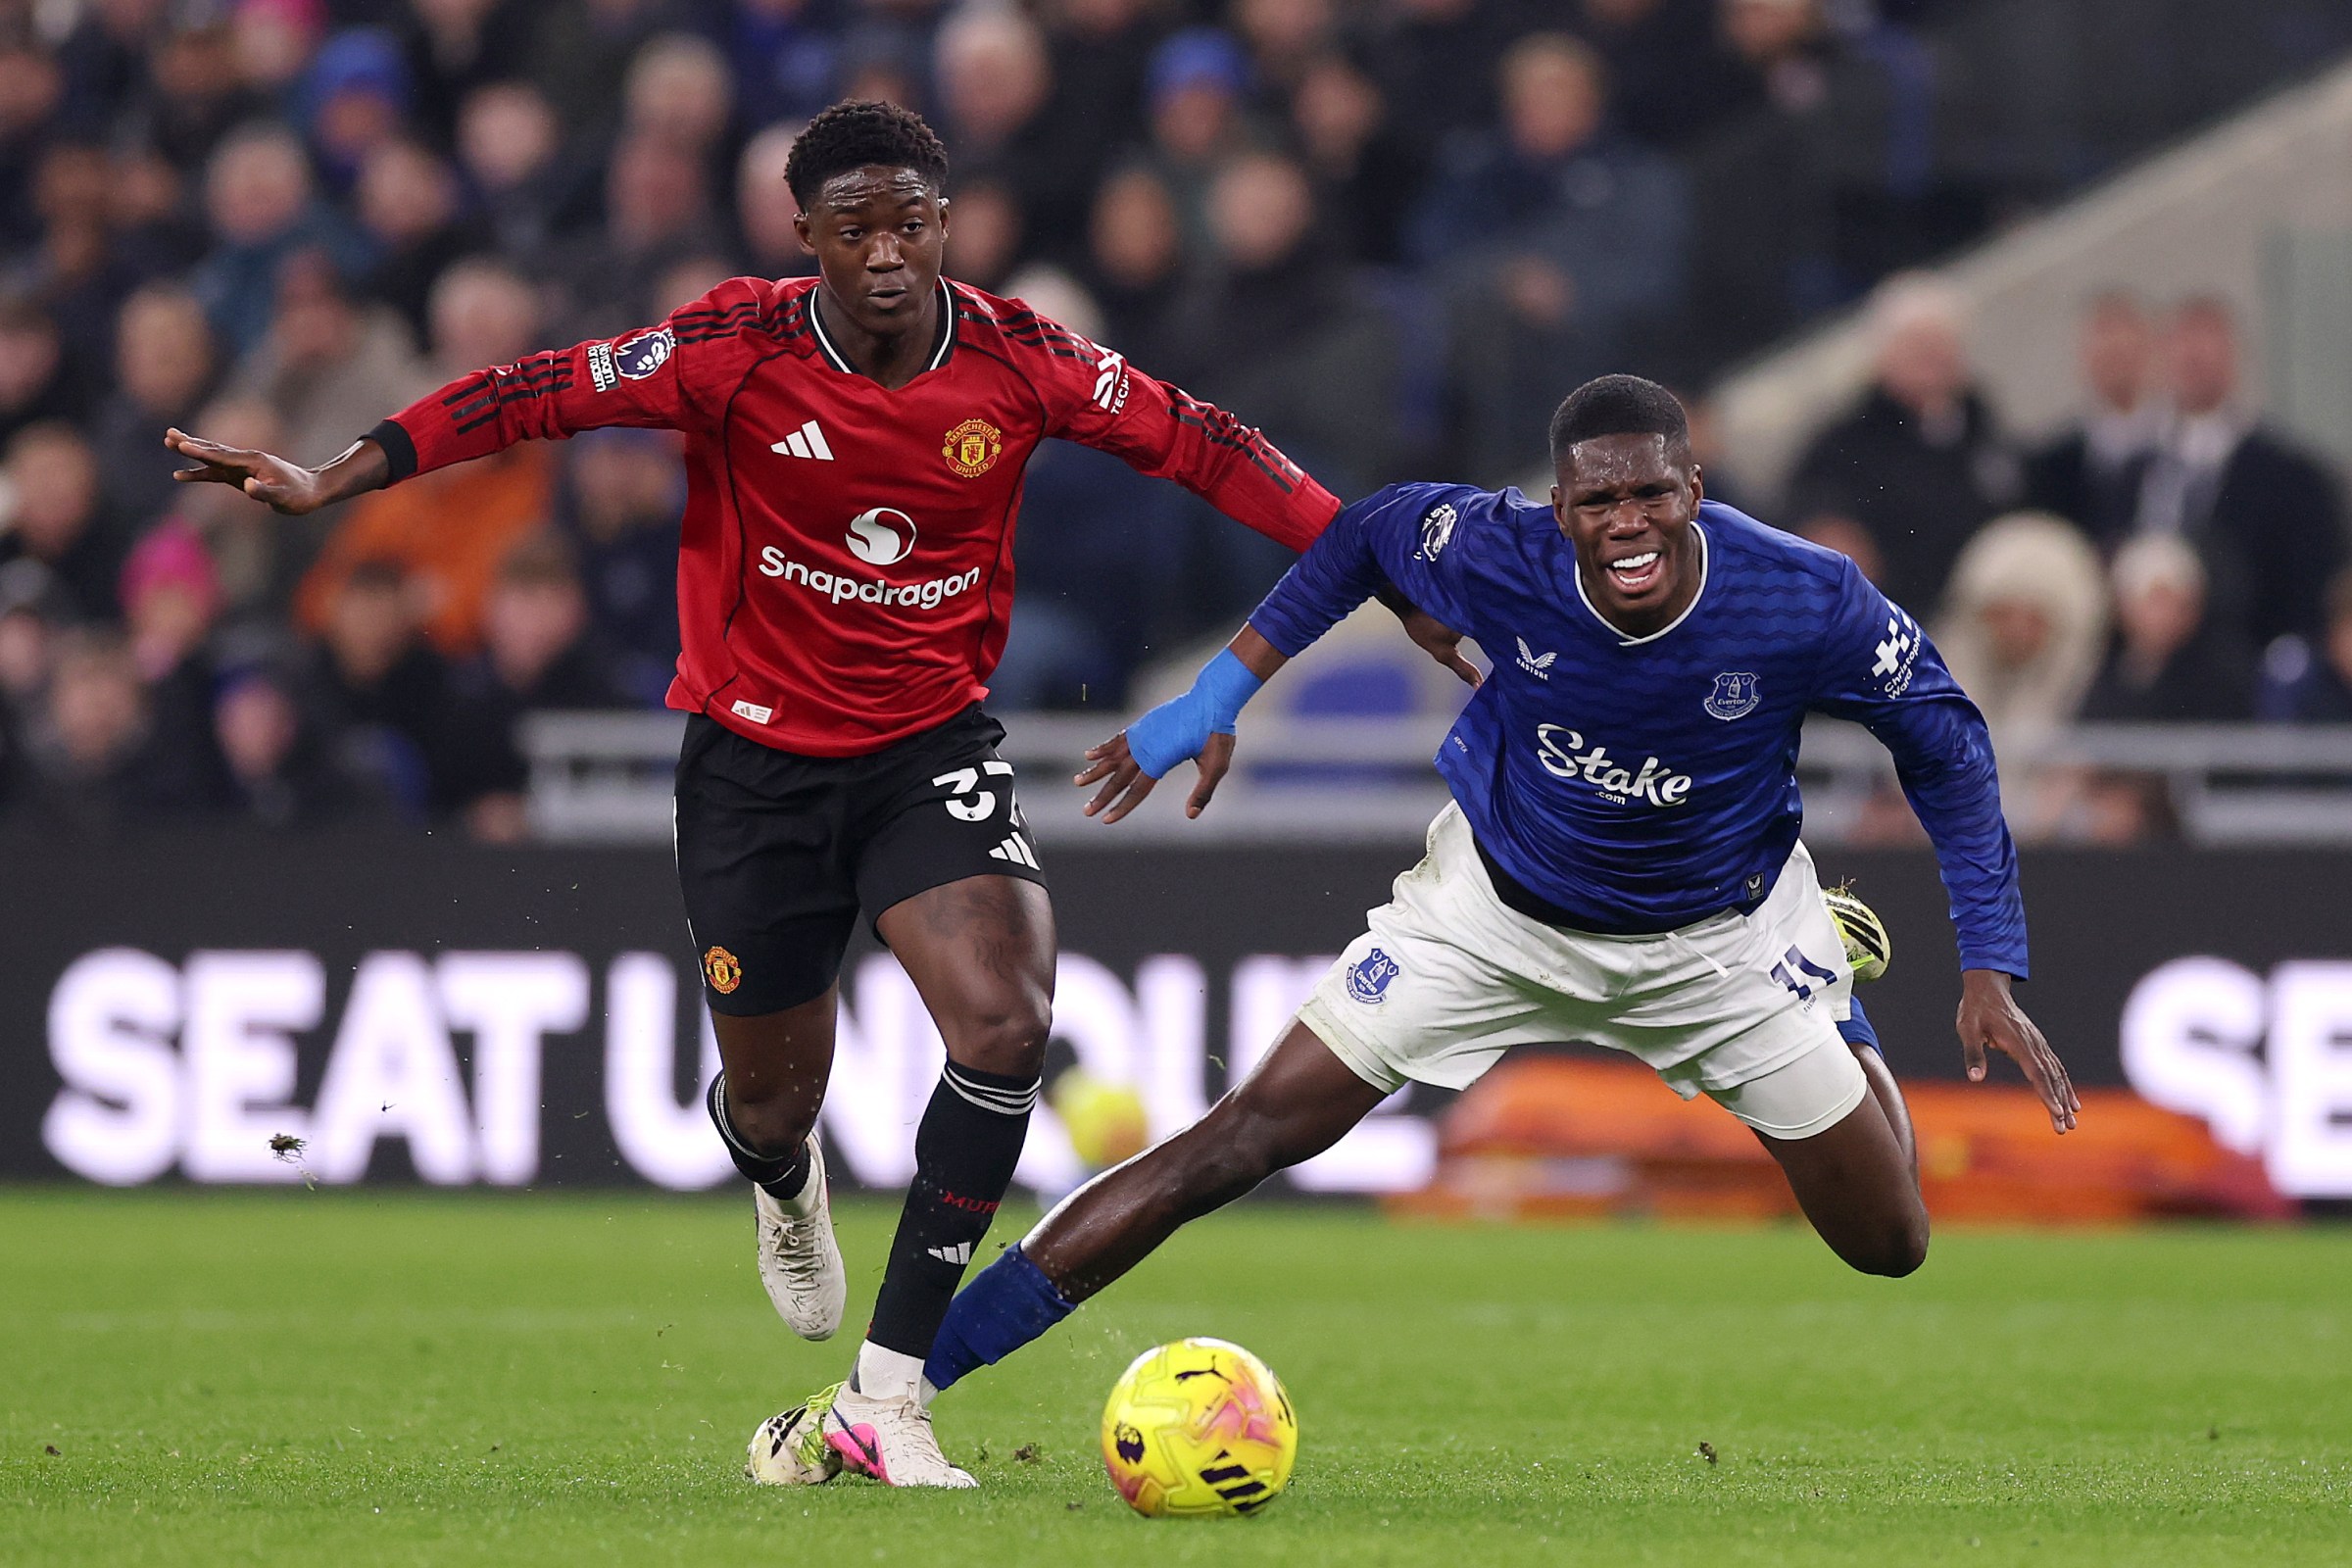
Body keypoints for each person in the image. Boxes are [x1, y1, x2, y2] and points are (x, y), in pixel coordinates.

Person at [163, 99, 1463, 1491]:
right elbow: (530, 392)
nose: (891, 251)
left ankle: (890, 1401)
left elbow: (1205, 443)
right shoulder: (732, 348)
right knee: (777, 1102)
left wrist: (1380, 565)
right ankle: (783, 1184)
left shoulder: (1024, 361)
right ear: (809, 240)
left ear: (945, 223)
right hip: (755, 769)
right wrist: (339, 473)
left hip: (929, 750)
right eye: (857, 229)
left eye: (913, 221)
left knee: (1007, 1020)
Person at [895, 376, 2078, 1463]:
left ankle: (1821, 977)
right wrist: (1222, 687)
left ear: (1695, 491)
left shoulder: (1803, 595)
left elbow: (1949, 740)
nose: (1628, 522)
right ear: (1555, 507)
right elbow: (1362, 533)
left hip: (1719, 946)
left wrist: (1991, 961)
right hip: (1491, 915)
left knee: (1892, 1241)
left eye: (1653, 493)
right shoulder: (1490, 548)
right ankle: (901, 1388)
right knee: (1241, 1135)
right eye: (1598, 499)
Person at [1787, 275, 2020, 612]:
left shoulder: (1980, 423)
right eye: (1916, 346)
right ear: (1884, 355)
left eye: (1940, 343)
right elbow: (1811, 509)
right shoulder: (1847, 440)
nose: (1931, 358)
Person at [2129, 296, 2345, 650]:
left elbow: (2311, 588)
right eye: (2181, 340)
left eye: (2207, 340)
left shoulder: (2292, 475)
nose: (2193, 355)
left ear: (2235, 354)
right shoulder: (2136, 470)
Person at [2024, 291, 2161, 546]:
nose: (2115, 361)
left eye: (2123, 351)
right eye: (2104, 351)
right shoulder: (2053, 463)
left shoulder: (2180, 452)